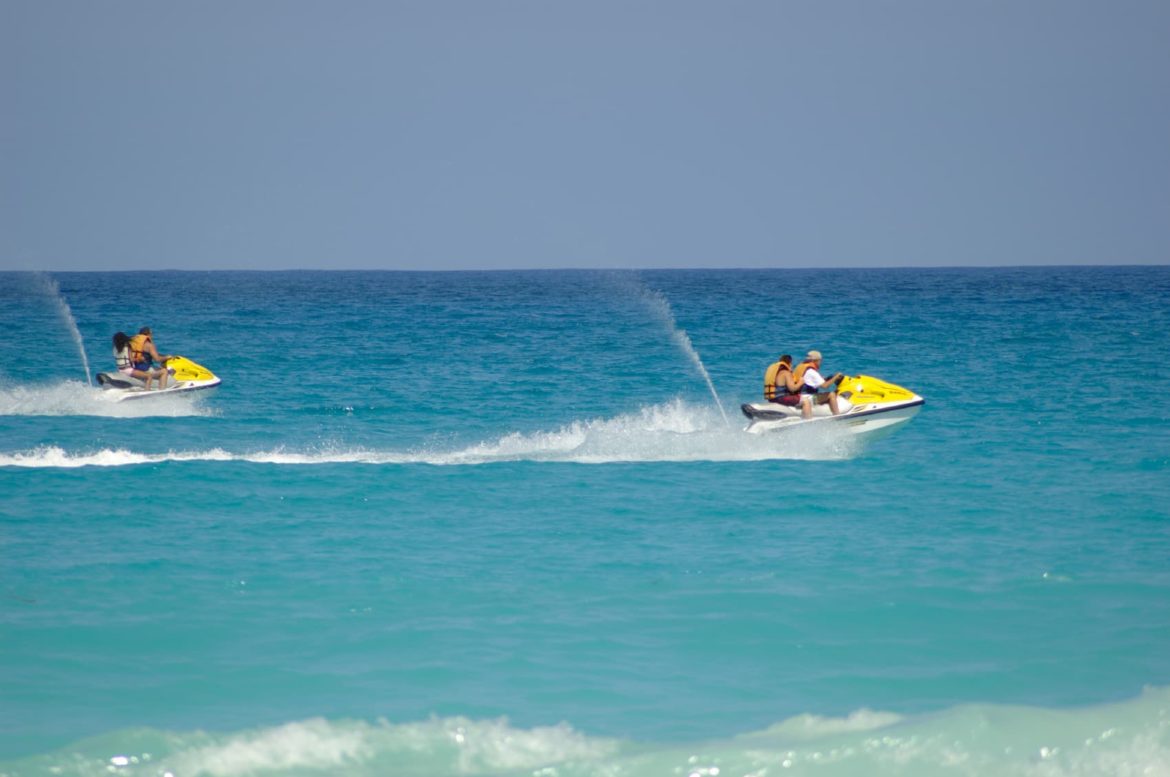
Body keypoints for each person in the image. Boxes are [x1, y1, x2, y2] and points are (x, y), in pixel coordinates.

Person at [792, 350, 844, 419]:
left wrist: (825, 379)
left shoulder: (801, 367)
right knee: (831, 394)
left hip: (798, 396)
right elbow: (825, 386)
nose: (820, 363)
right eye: (820, 361)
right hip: (807, 398)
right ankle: (838, 417)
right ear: (815, 361)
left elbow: (811, 381)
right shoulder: (812, 372)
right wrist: (836, 376)